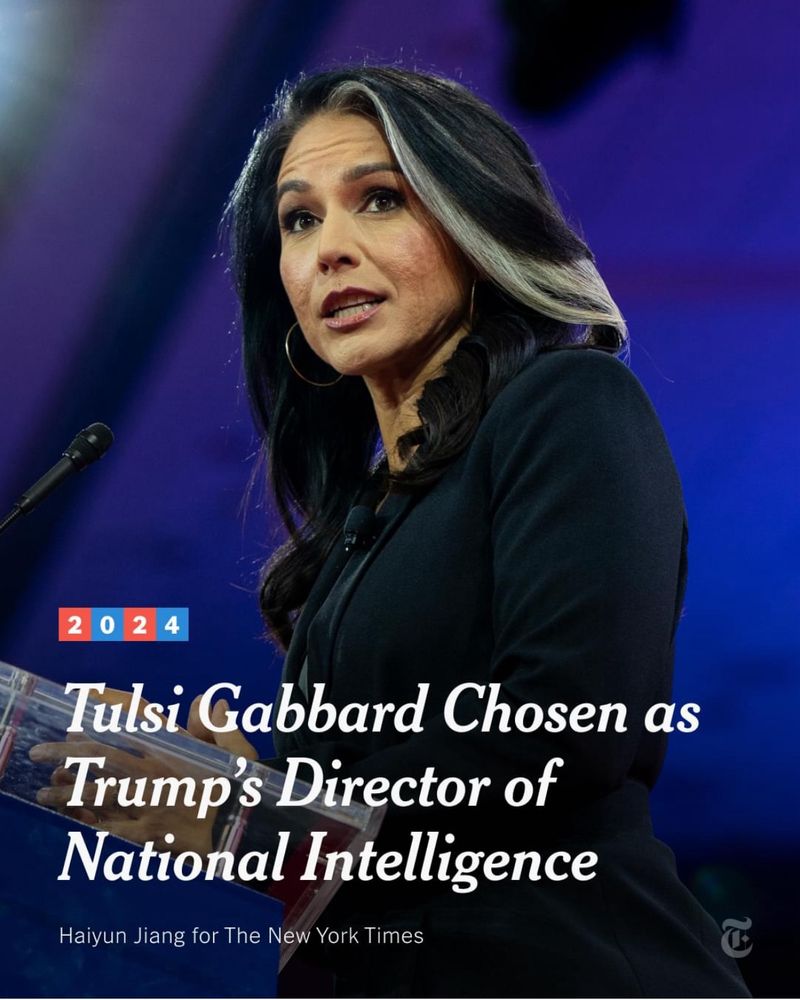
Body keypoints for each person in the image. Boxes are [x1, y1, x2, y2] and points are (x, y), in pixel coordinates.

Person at [213, 66, 753, 998]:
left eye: (380, 199)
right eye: (298, 221)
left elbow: (565, 732)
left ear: (475, 224)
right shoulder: (360, 532)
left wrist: (259, 817)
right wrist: (202, 786)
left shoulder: (568, 403)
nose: (329, 249)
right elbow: (348, 855)